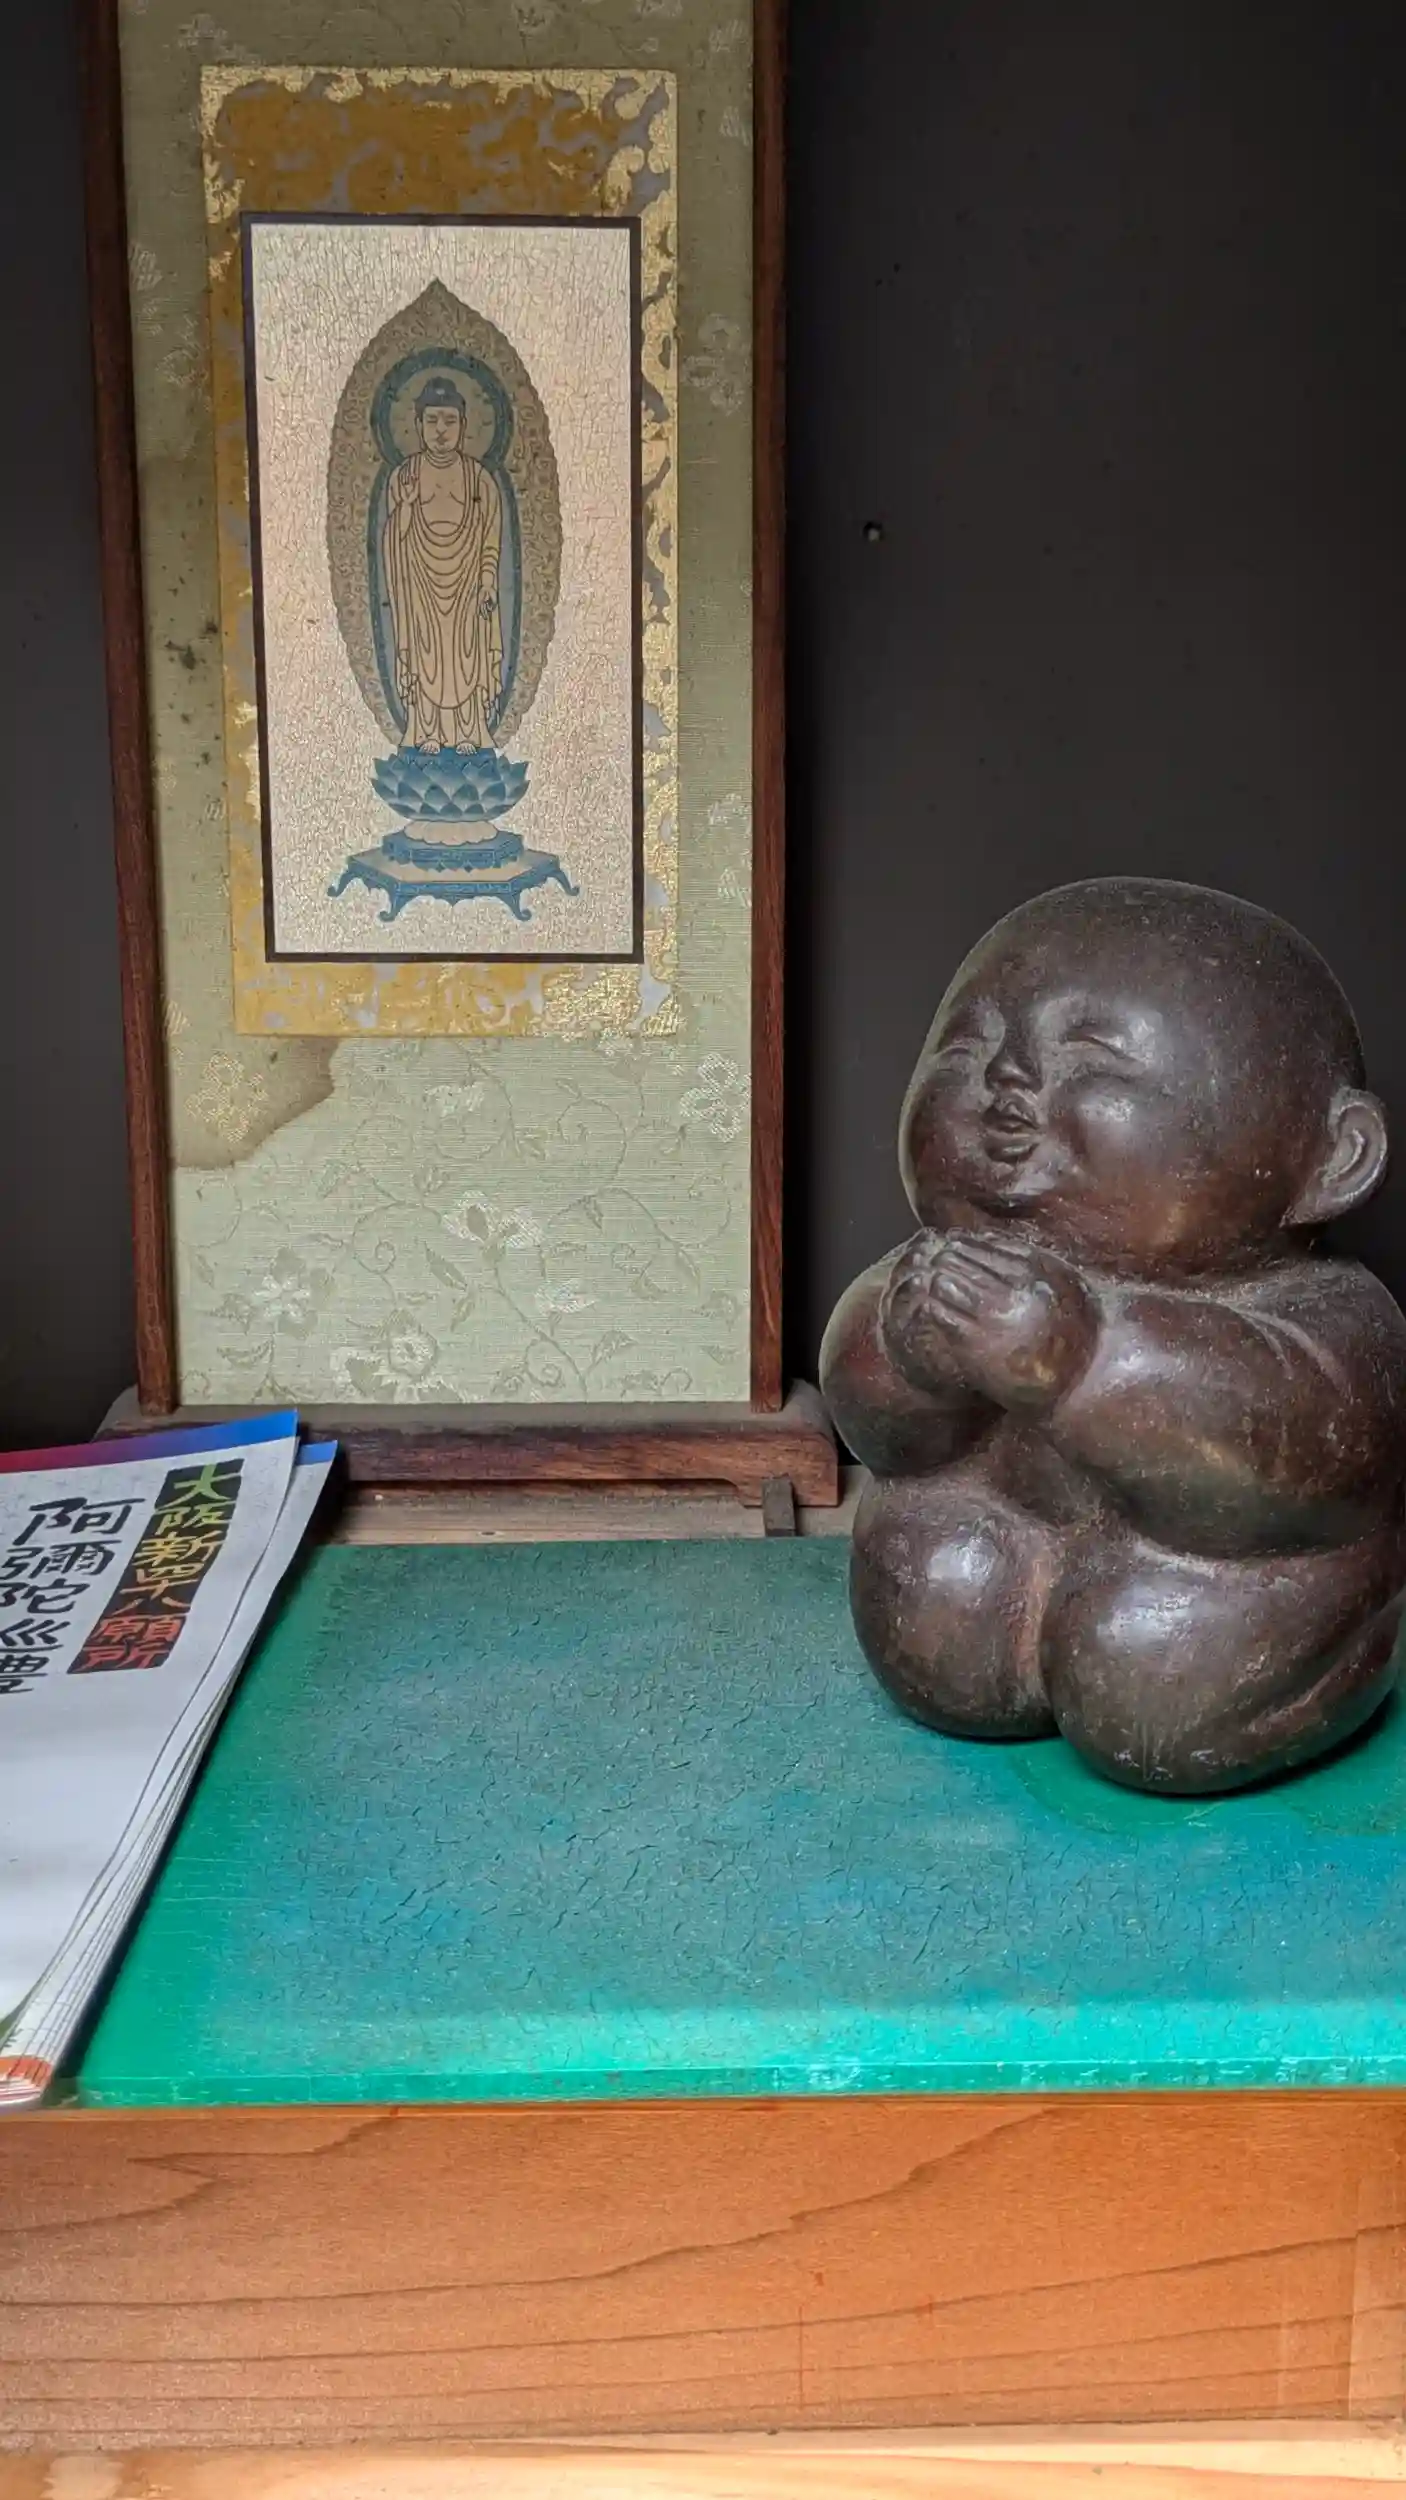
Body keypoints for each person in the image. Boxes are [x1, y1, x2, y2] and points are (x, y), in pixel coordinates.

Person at [821, 877, 1406, 1793]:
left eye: (1092, 1062)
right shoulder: (936, 1266)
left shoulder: (1330, 1317)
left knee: (1151, 1674)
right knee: (937, 1593)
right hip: (992, 1559)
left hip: (1226, 1604)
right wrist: (901, 1354)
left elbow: (1309, 1468)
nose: (1007, 1093)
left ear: (1335, 1157)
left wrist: (1087, 1361)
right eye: (968, 1049)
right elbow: (878, 1431)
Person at [382, 376, 503, 754]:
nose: (440, 431)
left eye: (449, 421)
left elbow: (490, 537)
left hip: (467, 582)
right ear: (418, 425)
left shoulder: (480, 480)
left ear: (463, 425)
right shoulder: (404, 477)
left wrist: (487, 580)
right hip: (420, 582)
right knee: (426, 652)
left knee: (468, 652)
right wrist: (405, 507)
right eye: (432, 420)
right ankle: (426, 729)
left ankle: (470, 730)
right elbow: (394, 542)